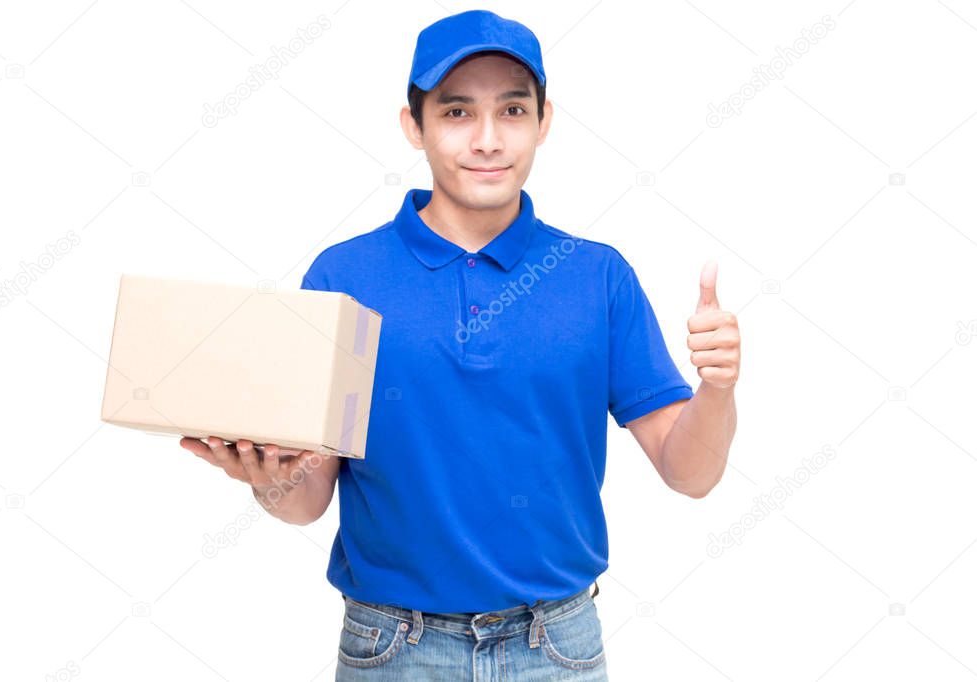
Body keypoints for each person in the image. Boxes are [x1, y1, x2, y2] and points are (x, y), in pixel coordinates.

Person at [181, 9, 740, 680]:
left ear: (543, 121)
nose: (486, 140)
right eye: (454, 113)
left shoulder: (598, 276)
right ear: (412, 126)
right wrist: (269, 482)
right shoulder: (342, 277)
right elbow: (306, 501)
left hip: (556, 648)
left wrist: (717, 387)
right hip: (393, 649)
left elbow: (692, 475)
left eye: (510, 110)